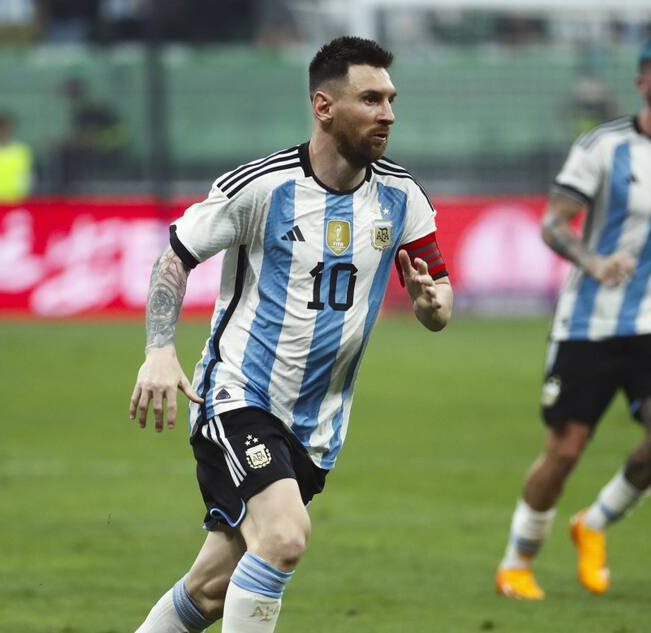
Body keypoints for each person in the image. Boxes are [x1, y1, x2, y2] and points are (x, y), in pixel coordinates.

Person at [129, 36, 452, 632]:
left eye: (391, 100)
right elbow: (176, 255)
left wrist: (431, 303)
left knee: (210, 591)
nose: (388, 114)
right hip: (239, 396)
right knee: (283, 537)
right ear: (324, 106)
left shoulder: (401, 196)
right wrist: (158, 350)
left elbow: (440, 300)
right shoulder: (261, 187)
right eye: (371, 99)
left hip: (317, 427)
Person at [494, 34, 651, 600]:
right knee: (565, 450)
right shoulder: (603, 147)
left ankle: (594, 523)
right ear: (643, 82)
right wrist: (594, 262)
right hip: (588, 323)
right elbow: (554, 223)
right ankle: (516, 564)